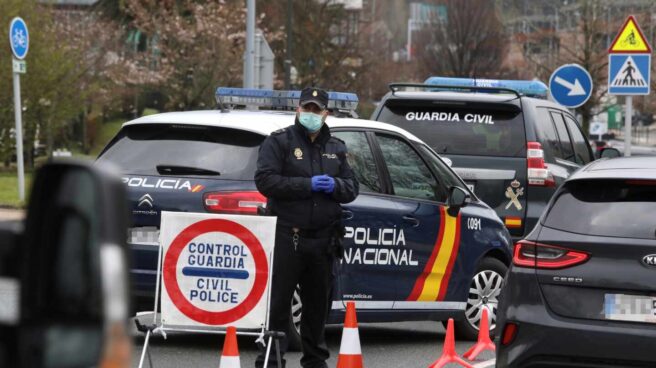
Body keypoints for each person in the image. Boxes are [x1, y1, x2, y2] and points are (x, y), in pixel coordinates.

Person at [254, 87, 359, 368]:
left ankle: (315, 361)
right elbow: (265, 181)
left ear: (326, 114)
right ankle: (271, 361)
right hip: (289, 236)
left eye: (316, 110)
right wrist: (306, 185)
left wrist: (335, 185)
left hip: (323, 240)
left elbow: (352, 188)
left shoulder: (336, 148)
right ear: (298, 110)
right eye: (306, 108)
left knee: (316, 308)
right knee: (279, 306)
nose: (311, 114)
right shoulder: (280, 142)